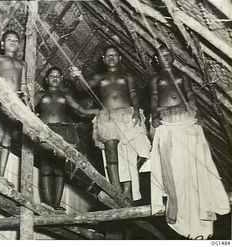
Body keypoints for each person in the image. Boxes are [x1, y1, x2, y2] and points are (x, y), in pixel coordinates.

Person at [149, 46, 230, 239]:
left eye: (169, 54)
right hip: (167, 122)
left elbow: (190, 93)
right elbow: (153, 98)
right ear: (156, 59)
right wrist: (154, 114)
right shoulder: (155, 79)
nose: (166, 57)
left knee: (194, 170)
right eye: (161, 55)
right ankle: (185, 224)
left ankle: (202, 229)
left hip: (186, 120)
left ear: (173, 57)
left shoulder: (181, 75)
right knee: (176, 172)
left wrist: (197, 112)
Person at [69, 46, 150, 201]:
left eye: (114, 55)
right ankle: (116, 189)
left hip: (127, 113)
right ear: (104, 59)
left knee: (135, 152)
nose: (111, 58)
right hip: (108, 117)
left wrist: (136, 111)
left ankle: (128, 189)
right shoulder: (100, 77)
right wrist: (76, 77)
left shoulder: (126, 76)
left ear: (120, 58)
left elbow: (133, 94)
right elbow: (82, 86)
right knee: (111, 149)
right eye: (108, 56)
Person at [35, 67, 99, 210]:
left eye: (58, 75)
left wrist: (100, 111)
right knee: (46, 166)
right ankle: (46, 204)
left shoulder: (66, 95)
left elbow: (80, 110)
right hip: (46, 130)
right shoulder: (40, 94)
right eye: (52, 75)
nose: (55, 78)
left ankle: (56, 204)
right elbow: (29, 109)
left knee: (59, 169)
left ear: (62, 78)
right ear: (47, 79)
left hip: (63, 132)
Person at [0, 30, 31, 177]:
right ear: (2, 43)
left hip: (16, 101)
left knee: (8, 137)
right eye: (9, 40)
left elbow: (24, 84)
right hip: (1, 98)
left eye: (15, 40)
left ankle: (1, 176)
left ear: (19, 45)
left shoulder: (22, 63)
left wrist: (27, 103)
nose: (12, 42)